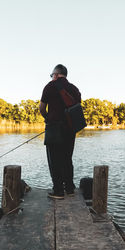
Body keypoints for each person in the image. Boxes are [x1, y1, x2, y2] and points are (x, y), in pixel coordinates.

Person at [39, 64, 81, 199]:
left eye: (52, 75)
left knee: (54, 159)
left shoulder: (50, 86)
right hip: (70, 128)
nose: (52, 78)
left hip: (54, 128)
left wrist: (47, 118)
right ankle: (69, 188)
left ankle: (58, 191)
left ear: (56, 75)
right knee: (67, 158)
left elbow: (42, 107)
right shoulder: (75, 89)